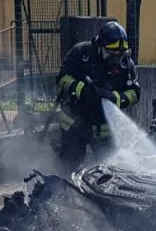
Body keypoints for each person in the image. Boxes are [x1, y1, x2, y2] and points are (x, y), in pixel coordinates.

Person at [55, 21, 141, 170]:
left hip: (105, 128)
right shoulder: (81, 53)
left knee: (109, 169)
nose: (115, 57)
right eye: (111, 52)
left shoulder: (126, 65)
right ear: (100, 46)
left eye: (119, 53)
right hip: (75, 121)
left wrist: (116, 98)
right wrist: (82, 90)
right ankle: (64, 190)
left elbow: (135, 92)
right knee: (69, 165)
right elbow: (62, 78)